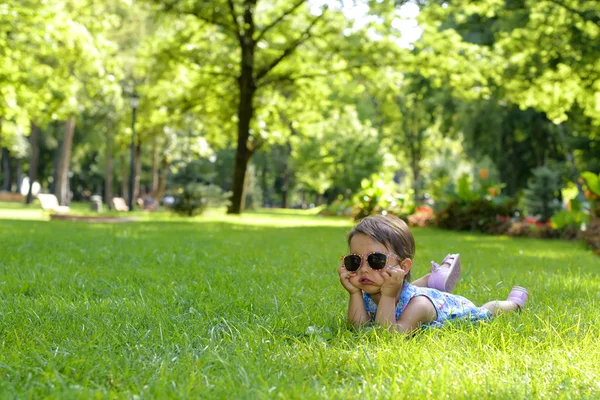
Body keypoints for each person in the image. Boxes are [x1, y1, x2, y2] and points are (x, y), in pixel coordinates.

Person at [337, 214, 529, 333]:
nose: (363, 269)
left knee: (487, 310)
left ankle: (513, 303)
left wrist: (387, 296)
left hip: (455, 309)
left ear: (403, 267)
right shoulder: (369, 293)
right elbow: (358, 329)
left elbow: (388, 335)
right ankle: (433, 279)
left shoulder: (419, 305)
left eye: (375, 260)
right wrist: (354, 293)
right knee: (404, 291)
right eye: (354, 261)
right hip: (403, 291)